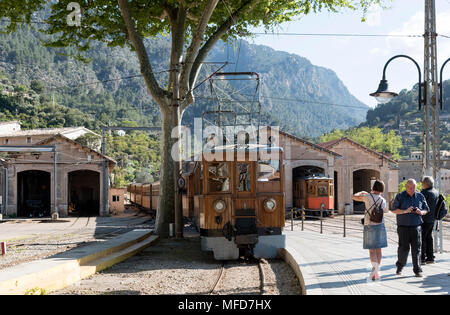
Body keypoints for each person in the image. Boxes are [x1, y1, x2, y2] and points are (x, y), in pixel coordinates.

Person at [391, 179, 429, 277]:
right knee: (403, 249)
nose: (412, 189)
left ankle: (417, 270)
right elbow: (394, 210)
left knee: (417, 249)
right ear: (406, 187)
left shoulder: (420, 196)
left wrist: (421, 212)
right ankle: (400, 267)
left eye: (414, 188)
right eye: (410, 188)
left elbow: (426, 209)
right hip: (403, 227)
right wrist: (405, 211)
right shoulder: (400, 196)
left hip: (416, 227)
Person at [353, 180, 388, 281]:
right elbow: (384, 210)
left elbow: (354, 196)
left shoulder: (368, 197)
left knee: (372, 251)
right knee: (378, 250)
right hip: (380, 225)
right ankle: (376, 271)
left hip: (369, 225)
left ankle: (374, 270)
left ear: (373, 187)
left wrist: (362, 192)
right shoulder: (383, 200)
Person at [420, 176, 439, 264]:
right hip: (432, 219)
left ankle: (422, 258)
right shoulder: (436, 192)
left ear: (426, 184)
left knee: (422, 237)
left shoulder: (424, 193)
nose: (421, 185)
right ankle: (430, 257)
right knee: (429, 237)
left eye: (422, 183)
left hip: (424, 218)